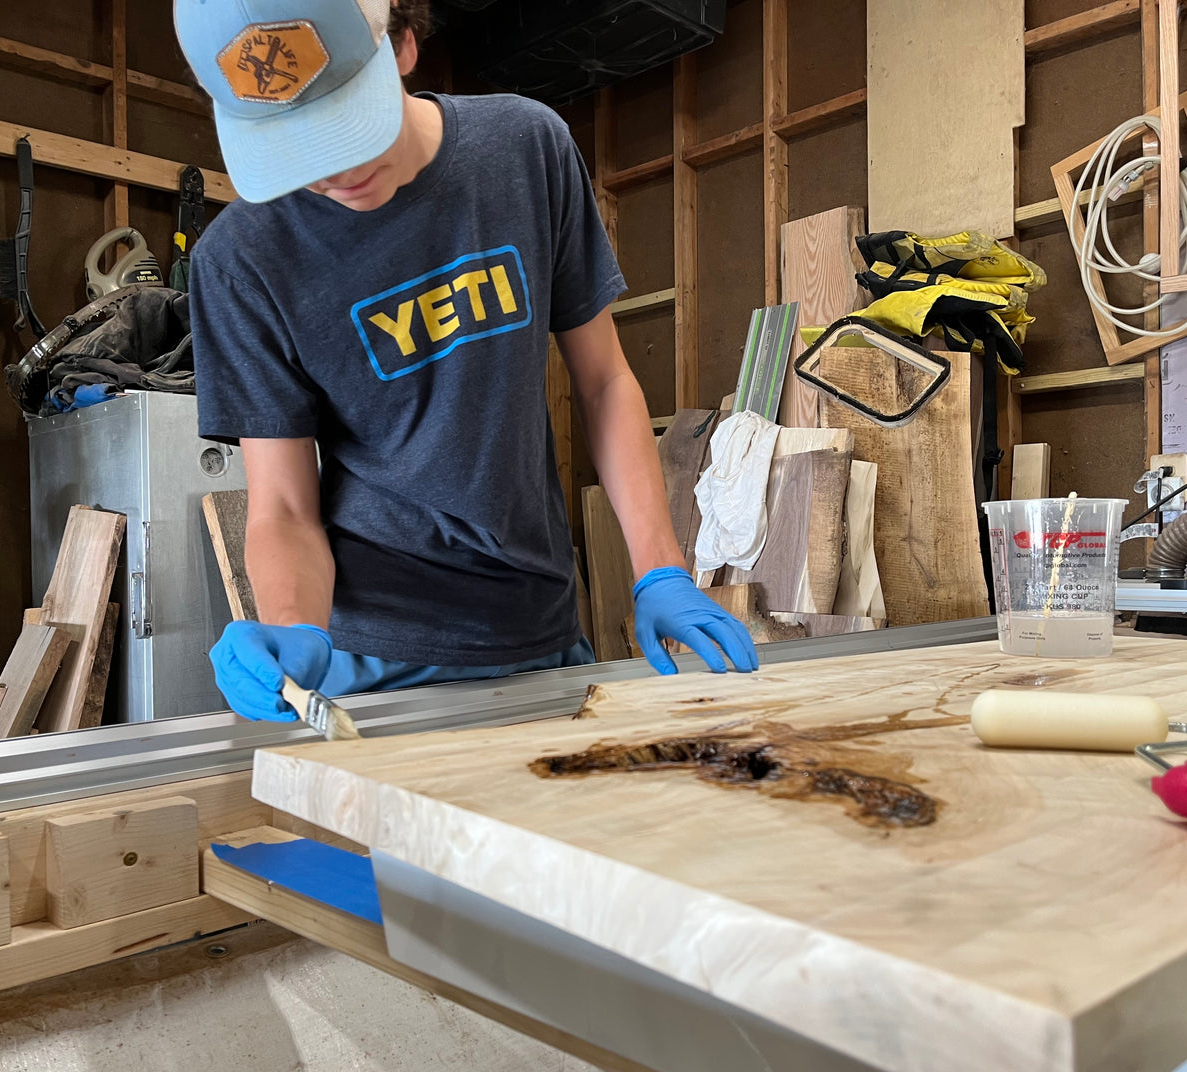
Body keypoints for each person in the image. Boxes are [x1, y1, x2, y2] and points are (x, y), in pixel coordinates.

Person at [173, 0, 758, 722]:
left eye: (348, 126)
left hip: (539, 619)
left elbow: (604, 382)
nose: (337, 172)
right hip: (374, 648)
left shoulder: (524, 147)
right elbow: (285, 505)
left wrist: (659, 570)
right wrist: (296, 629)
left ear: (404, 45)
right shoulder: (241, 260)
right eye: (302, 149)